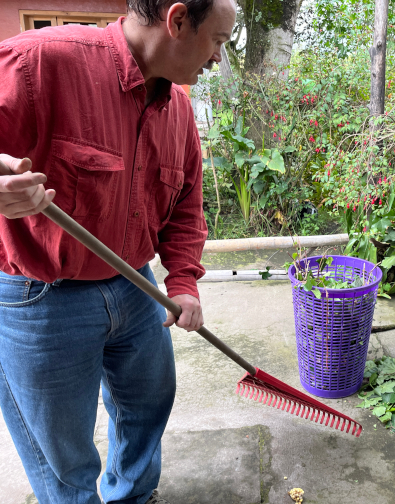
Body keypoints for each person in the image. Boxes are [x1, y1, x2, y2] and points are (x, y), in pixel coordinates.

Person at [0, 0, 235, 502]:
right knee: (61, 450)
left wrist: (184, 283)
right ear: (177, 21)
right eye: (217, 40)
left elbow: (185, 208)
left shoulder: (178, 111)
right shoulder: (40, 63)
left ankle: (132, 495)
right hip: (41, 297)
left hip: (135, 287)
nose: (218, 58)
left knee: (149, 402)